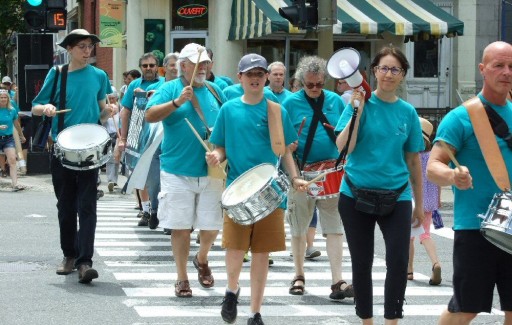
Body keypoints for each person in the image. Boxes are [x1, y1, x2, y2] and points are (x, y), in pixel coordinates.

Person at [206, 53, 308, 325]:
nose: (255, 78)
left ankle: (255, 312)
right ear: (239, 78)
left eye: (259, 74)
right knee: (235, 249)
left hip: (270, 191)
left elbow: (285, 150)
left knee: (262, 252)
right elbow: (221, 146)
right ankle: (231, 289)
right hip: (237, 189)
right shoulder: (228, 109)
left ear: (266, 77)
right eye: (249, 74)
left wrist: (295, 177)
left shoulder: (276, 109)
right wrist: (217, 156)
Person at [335, 45, 424, 324]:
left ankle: (392, 320)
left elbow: (413, 161)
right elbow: (344, 148)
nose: (388, 74)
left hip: (396, 195)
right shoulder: (358, 104)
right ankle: (367, 320)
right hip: (354, 193)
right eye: (383, 68)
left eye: (394, 69)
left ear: (403, 75)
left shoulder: (408, 112)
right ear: (373, 71)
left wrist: (419, 204)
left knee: (398, 262)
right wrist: (357, 112)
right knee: (362, 263)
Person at [427, 41, 512, 325]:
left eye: (511, 66)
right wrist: (453, 175)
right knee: (466, 308)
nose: (506, 72)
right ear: (482, 69)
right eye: (499, 65)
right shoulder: (462, 117)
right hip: (477, 228)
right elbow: (433, 166)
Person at [146, 43, 226, 298]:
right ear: (184, 66)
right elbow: (150, 115)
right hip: (176, 169)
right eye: (197, 63)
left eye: (206, 63)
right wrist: (177, 102)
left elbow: (229, 121)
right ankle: (182, 278)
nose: (202, 67)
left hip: (212, 171)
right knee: (180, 227)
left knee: (211, 226)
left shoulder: (216, 91)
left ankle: (201, 258)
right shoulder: (169, 88)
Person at [31, 29, 112, 284]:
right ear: (70, 49)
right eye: (82, 47)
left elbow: (101, 113)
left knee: (87, 206)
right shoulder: (57, 74)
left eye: (90, 47)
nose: (87, 52)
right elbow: (35, 107)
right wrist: (46, 108)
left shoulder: (99, 76)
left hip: (89, 150)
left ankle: (85, 262)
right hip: (61, 148)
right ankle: (69, 254)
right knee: (66, 207)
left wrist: (109, 111)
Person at [283, 55, 352, 300]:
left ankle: (338, 280)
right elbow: (283, 145)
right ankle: (298, 275)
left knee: (334, 228)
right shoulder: (290, 104)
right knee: (299, 226)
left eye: (319, 84)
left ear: (325, 81)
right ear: (301, 82)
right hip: (302, 173)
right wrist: (291, 165)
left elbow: (347, 133)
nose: (314, 89)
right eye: (309, 85)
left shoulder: (335, 101)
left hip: (332, 172)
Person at [118, 52, 164, 227]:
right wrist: (123, 138)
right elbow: (125, 111)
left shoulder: (165, 84)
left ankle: (159, 209)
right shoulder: (134, 85)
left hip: (159, 133)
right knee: (140, 173)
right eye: (145, 66)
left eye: (152, 65)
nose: (149, 69)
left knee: (160, 174)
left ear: (157, 66)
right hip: (137, 133)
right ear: (141, 68)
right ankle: (146, 210)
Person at [145, 51, 181, 232]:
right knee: (155, 176)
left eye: (179, 63)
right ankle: (154, 207)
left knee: (173, 179)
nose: (176, 68)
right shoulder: (159, 89)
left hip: (178, 142)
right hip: (158, 138)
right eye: (172, 64)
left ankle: (170, 219)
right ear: (164, 69)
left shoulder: (188, 87)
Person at [407, 117, 442, 285]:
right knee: (425, 234)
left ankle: (409, 270)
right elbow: (438, 180)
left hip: (412, 200)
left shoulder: (410, 155)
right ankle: (436, 262)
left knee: (409, 237)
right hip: (429, 201)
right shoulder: (431, 156)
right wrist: (438, 200)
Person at [0, 89, 25, 191]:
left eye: (5, 97)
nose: (3, 99)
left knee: (12, 160)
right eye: (1, 97)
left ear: (8, 99)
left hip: (8, 138)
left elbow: (16, 124)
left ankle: (15, 184)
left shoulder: (12, 110)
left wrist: (21, 135)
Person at [103, 87, 121, 193]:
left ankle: (115, 180)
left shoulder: (121, 107)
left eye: (113, 98)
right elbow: (102, 120)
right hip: (107, 135)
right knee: (110, 158)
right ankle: (111, 180)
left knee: (117, 158)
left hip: (118, 135)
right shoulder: (105, 108)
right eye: (109, 98)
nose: (111, 100)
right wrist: (108, 113)